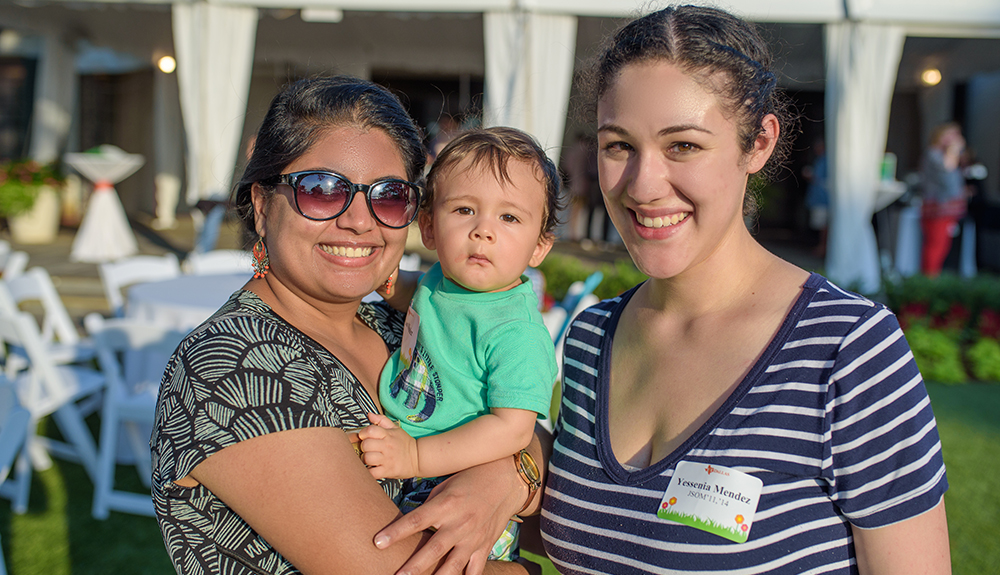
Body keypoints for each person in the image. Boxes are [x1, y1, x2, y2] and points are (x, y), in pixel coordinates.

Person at [534, 6, 951, 574]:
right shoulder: (590, 338)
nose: (643, 184)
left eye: (682, 145)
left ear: (757, 144)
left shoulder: (848, 350)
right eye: (619, 145)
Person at [151, 76, 541, 575]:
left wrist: (503, 478)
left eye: (389, 196)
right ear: (263, 205)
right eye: (321, 190)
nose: (360, 220)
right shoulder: (234, 364)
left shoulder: (397, 323)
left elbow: (533, 435)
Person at [358, 127, 560, 563]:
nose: (483, 231)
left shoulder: (516, 332)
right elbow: (421, 294)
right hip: (412, 460)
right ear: (428, 227)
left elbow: (513, 428)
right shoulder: (444, 281)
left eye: (509, 218)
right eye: (465, 210)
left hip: (458, 479)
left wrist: (414, 455)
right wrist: (383, 280)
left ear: (540, 246)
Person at [920, 122, 968, 277]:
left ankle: (933, 278)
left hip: (946, 210)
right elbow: (947, 173)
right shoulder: (934, 154)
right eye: (950, 135)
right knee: (935, 247)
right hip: (937, 208)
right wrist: (953, 151)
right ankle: (928, 282)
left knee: (942, 247)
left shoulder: (944, 155)